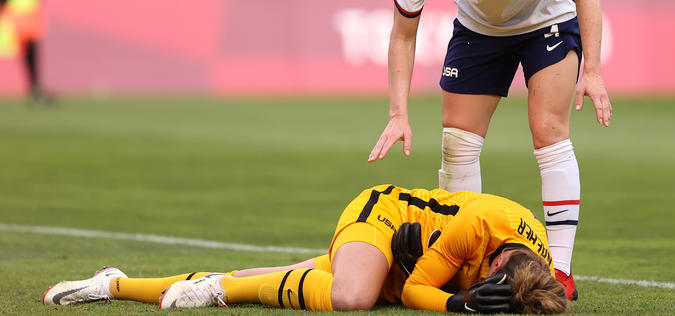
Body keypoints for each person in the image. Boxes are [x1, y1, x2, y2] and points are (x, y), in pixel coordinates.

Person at [368, 0, 613, 300]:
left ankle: (559, 271)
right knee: (457, 146)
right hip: (480, 29)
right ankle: (464, 265)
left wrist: (592, 70)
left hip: (547, 20)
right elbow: (404, 35)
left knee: (549, 132)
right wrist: (397, 114)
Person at [43, 184, 567, 313]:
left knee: (250, 275)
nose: (483, 286)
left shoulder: (530, 265)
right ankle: (217, 290)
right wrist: (457, 302)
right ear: (499, 259)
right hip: (383, 216)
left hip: (408, 252)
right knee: (353, 299)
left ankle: (111, 283)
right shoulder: (477, 228)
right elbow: (414, 290)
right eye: (487, 281)